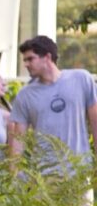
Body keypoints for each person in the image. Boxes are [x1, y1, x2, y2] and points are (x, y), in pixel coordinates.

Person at [7, 36, 97, 186]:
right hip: (43, 179)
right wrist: (14, 177)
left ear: (47, 57)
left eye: (30, 59)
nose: (26, 64)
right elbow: (18, 139)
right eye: (25, 60)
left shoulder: (81, 79)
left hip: (79, 176)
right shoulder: (25, 95)